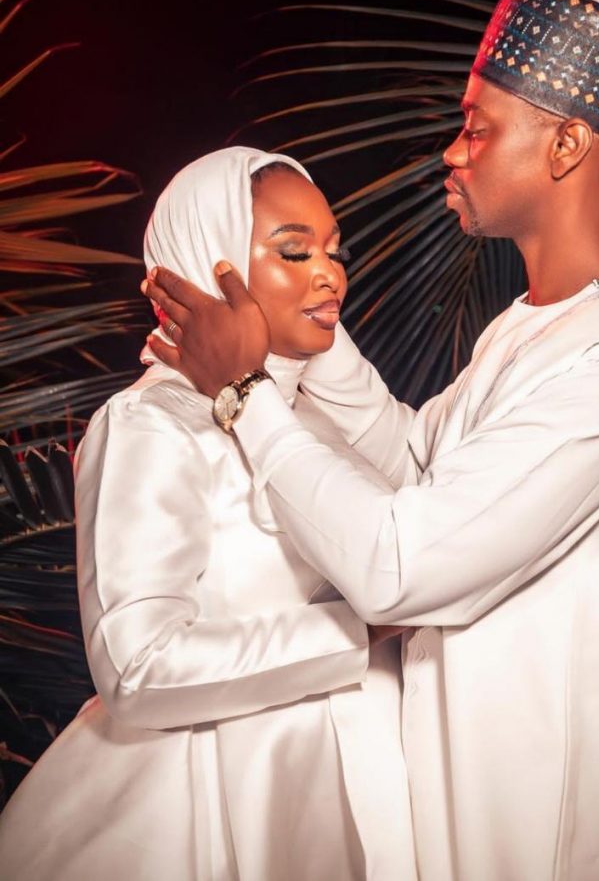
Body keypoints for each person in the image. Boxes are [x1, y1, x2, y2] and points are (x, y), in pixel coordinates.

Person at [144, 0, 599, 881]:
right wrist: (298, 317)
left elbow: (399, 567)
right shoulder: (534, 325)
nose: (453, 153)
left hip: (563, 842)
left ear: (567, 145)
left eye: (478, 127)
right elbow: (415, 461)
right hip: (474, 815)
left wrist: (244, 390)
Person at [0, 147, 417, 881]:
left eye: (335, 251)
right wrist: (363, 629)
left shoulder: (314, 422)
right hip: (209, 800)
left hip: (363, 777)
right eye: (295, 252)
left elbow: (429, 495)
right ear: (209, 264)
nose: (331, 273)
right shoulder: (149, 422)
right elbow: (138, 666)